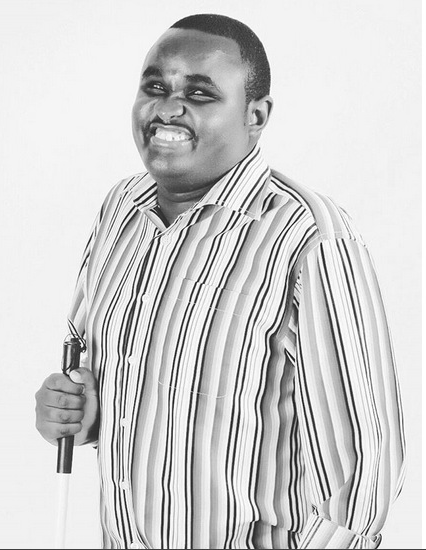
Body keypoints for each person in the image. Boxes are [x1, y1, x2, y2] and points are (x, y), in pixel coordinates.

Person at [35, 13, 406, 549]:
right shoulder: (120, 210)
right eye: (155, 87)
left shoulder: (310, 237)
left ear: (256, 115)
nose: (168, 108)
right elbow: (90, 362)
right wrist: (83, 411)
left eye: (200, 93)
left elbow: (362, 479)